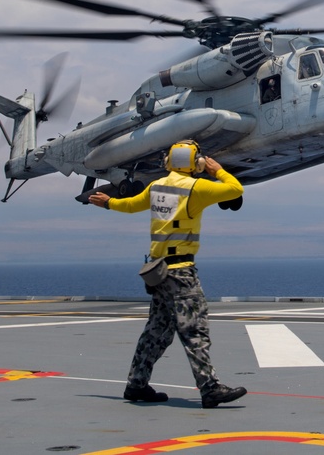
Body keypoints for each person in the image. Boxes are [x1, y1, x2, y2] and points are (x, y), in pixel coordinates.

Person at [88, 140, 247, 409]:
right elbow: (235, 190)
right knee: (194, 329)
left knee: (156, 332)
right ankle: (209, 388)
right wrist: (217, 169)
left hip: (158, 272)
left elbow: (129, 205)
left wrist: (108, 203)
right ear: (195, 162)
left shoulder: (156, 186)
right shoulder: (196, 187)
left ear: (168, 162)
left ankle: (136, 384)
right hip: (181, 272)